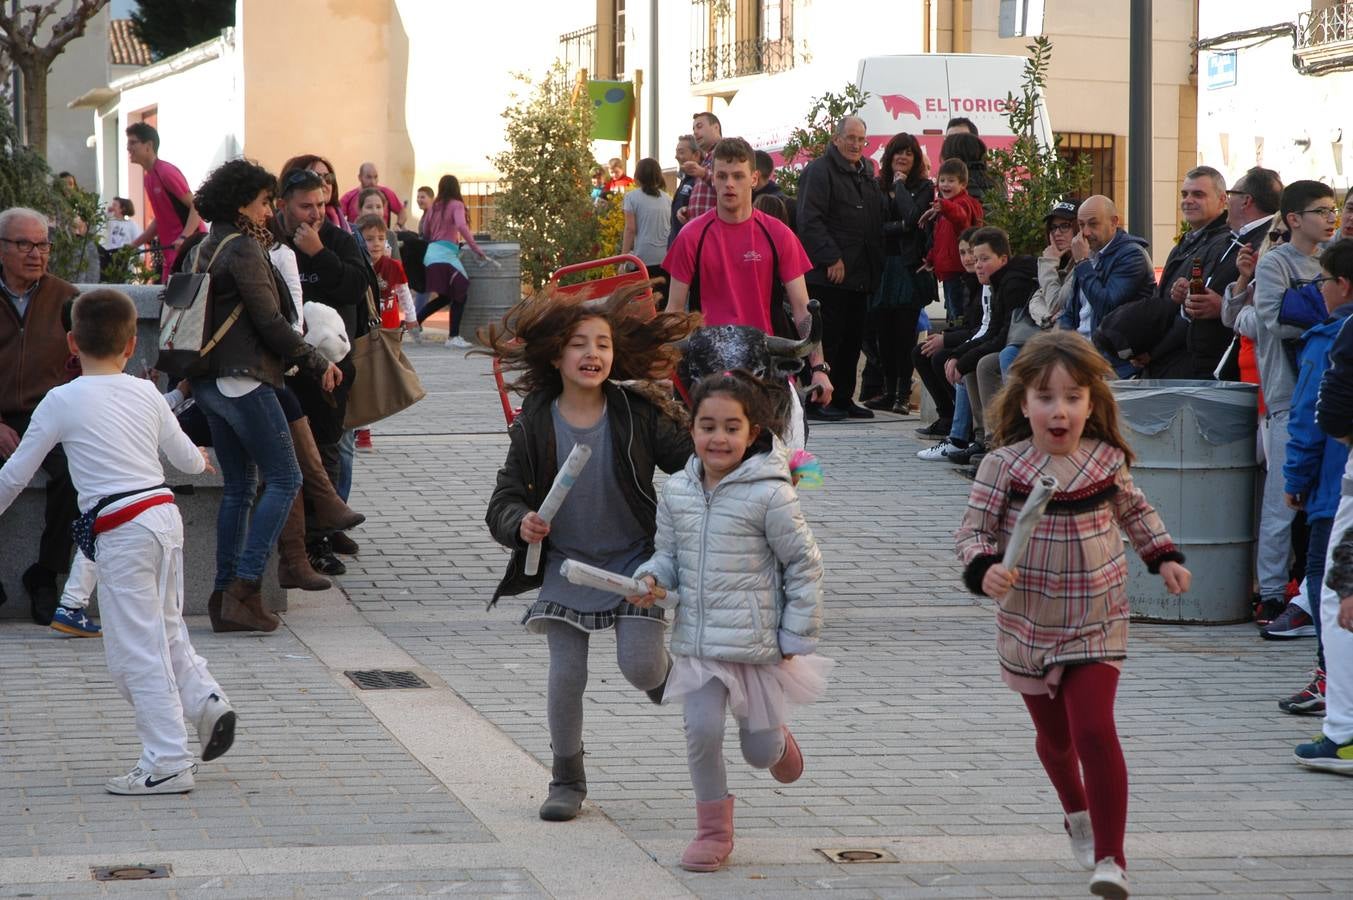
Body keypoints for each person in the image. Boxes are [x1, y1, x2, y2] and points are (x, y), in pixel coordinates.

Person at [956, 330, 1191, 899]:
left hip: (1098, 614)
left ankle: (1111, 857)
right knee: (1057, 739)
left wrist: (1164, 557)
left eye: (1073, 397)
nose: (1059, 410)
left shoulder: (1106, 461)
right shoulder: (1002, 466)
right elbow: (972, 533)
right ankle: (1076, 813)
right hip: (1027, 619)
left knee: (1093, 729)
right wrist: (983, 568)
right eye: (1045, 397)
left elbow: (1138, 513)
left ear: (1092, 404)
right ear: (1023, 403)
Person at [0, 288, 238, 795]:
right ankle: (205, 702)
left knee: (136, 650)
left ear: (71, 342)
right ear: (132, 345)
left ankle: (167, 760)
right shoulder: (146, 392)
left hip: (122, 528)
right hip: (162, 516)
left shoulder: (60, 400)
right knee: (166, 631)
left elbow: (14, 476)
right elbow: (184, 455)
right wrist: (200, 461)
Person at [482, 285, 700, 823]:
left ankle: (664, 677)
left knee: (641, 667)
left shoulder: (635, 411)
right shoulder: (535, 420)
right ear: (556, 354)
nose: (592, 354)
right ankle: (566, 777)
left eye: (601, 343)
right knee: (566, 670)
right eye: (579, 343)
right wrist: (520, 524)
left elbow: (691, 460)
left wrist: (738, 446)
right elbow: (503, 499)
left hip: (635, 560)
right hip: (566, 562)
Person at [628, 370, 828, 873]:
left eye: (731, 427)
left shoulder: (771, 494)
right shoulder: (676, 491)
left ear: (753, 432)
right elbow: (667, 556)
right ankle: (713, 831)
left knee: (759, 752)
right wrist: (650, 579)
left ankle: (778, 743)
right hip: (698, 644)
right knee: (700, 730)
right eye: (707, 426)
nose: (719, 437)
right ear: (691, 430)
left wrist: (795, 634)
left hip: (758, 646)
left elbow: (804, 563)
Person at [189, 160, 343, 631]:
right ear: (241, 205)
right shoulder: (244, 249)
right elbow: (270, 322)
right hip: (244, 379)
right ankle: (246, 586)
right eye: (261, 202)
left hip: (209, 381)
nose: (268, 210)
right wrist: (318, 362)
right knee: (285, 478)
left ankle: (223, 596)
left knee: (239, 487)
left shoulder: (208, 244)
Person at [662, 137, 833, 407]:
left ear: (754, 179)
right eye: (722, 175)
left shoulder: (779, 234)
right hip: (708, 367)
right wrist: (664, 370)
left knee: (779, 449)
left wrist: (819, 369)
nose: (730, 183)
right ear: (713, 179)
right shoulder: (691, 235)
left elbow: (803, 309)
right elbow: (674, 311)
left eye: (738, 176)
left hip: (767, 364)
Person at [271, 166, 374, 572]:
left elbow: (355, 285)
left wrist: (319, 253)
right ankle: (295, 543)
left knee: (327, 448)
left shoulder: (335, 239)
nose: (314, 214)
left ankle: (318, 539)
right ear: (283, 206)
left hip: (333, 365)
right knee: (292, 453)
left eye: (321, 205)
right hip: (286, 365)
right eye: (304, 206)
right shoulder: (271, 243)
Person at [1246, 181, 1339, 629]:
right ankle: (1269, 593)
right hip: (1289, 393)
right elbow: (1274, 321)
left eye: (1334, 208)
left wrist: (1308, 310)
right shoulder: (1276, 263)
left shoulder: (1337, 256)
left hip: (1337, 391)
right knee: (1285, 499)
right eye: (1321, 210)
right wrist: (1325, 314)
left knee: (1329, 499)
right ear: (1293, 219)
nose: (1331, 217)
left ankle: (1311, 591)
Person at [1273, 241, 1353, 719]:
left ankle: (1333, 684)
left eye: (1322, 281)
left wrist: (1295, 479)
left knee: (1329, 590)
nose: (1319, 290)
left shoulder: (1329, 339)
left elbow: (1309, 418)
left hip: (1332, 492)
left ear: (1342, 285)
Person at [0, 207, 81, 623]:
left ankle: (45, 575)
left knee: (75, 472)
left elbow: (91, 362)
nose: (36, 254)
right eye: (24, 244)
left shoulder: (67, 299)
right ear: (2, 249)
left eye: (43, 244)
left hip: (49, 417)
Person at [796, 115, 885, 420]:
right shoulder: (819, 172)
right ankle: (818, 400)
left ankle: (844, 398)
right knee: (827, 340)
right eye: (850, 138)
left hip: (860, 276)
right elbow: (810, 220)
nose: (856, 144)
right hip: (829, 275)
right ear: (836, 139)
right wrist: (831, 257)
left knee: (851, 340)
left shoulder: (865, 174)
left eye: (861, 139)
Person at [866, 133, 936, 414]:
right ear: (889, 155)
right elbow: (873, 225)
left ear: (916, 158)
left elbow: (913, 220)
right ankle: (888, 390)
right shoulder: (876, 186)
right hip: (882, 266)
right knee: (883, 335)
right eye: (898, 152)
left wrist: (900, 185)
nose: (903, 157)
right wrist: (898, 225)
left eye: (909, 153)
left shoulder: (924, 187)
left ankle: (902, 395)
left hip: (908, 268)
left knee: (905, 334)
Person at [1058, 195, 1155, 377]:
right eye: (1081, 225)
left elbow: (1106, 305)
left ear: (1114, 222)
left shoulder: (1131, 255)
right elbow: (1070, 312)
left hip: (1113, 360)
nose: (1085, 232)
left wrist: (1082, 263)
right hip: (1081, 351)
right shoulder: (1089, 255)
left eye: (1093, 224)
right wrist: (1065, 346)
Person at [914, 227, 981, 442]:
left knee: (941, 357)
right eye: (962, 253)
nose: (969, 259)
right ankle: (947, 415)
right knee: (921, 351)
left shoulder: (985, 281)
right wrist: (944, 335)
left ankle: (964, 425)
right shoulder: (968, 281)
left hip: (982, 343)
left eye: (972, 252)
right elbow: (969, 324)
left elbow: (983, 329)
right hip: (970, 338)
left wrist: (947, 340)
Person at [414, 174, 489, 350]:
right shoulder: (457, 205)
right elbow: (462, 226)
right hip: (446, 255)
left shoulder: (434, 208)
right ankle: (453, 336)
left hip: (432, 255)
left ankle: (414, 322)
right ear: (456, 189)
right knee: (462, 289)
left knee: (446, 296)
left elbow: (425, 229)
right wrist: (477, 249)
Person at [125, 122, 205, 281]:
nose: (128, 148)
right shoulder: (149, 179)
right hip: (171, 255)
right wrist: (134, 245)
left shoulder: (166, 172)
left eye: (133, 142)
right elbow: (160, 221)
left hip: (189, 252)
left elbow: (197, 206)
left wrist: (184, 237)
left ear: (148, 145)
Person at [922, 158, 984, 326]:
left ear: (963, 185)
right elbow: (942, 240)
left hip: (958, 271)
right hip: (950, 271)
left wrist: (943, 205)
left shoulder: (961, 204)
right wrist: (931, 258)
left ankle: (955, 346)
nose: (945, 185)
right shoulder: (947, 207)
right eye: (942, 180)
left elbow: (961, 218)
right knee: (952, 315)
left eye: (951, 181)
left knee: (958, 317)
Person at [620, 158, 672, 298]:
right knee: (663, 304)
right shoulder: (667, 198)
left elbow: (630, 229)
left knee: (643, 304)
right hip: (665, 259)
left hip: (642, 259)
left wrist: (623, 260)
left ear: (638, 176)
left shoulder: (631, 197)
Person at [279, 154, 348, 229]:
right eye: (314, 176)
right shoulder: (270, 229)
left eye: (328, 177)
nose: (323, 182)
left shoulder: (350, 233)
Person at [679, 112, 722, 225]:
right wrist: (688, 210)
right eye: (694, 129)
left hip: (713, 230)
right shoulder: (708, 157)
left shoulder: (725, 152)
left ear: (716, 127)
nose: (695, 133)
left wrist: (703, 173)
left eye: (699, 126)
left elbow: (728, 184)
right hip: (701, 229)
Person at [340, 162, 407, 228]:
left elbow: (402, 211)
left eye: (375, 177)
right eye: (368, 177)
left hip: (382, 236)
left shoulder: (386, 193)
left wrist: (398, 225)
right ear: (360, 177)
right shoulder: (349, 197)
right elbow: (337, 217)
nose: (373, 182)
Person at [669, 135, 700, 246]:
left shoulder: (700, 181)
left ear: (696, 155)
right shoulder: (685, 179)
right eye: (677, 152)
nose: (677, 156)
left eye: (681, 152)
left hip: (689, 247)